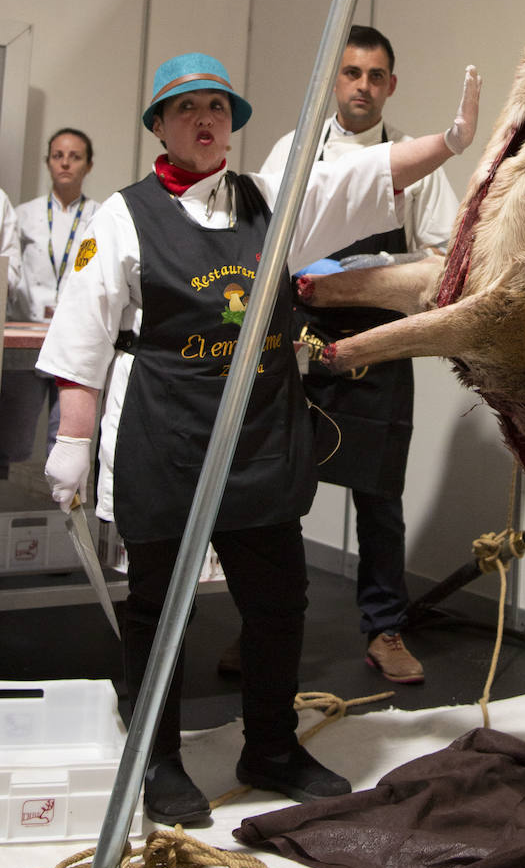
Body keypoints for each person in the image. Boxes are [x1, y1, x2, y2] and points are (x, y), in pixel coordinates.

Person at [36, 50, 479, 826]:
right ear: (161, 128)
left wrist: (445, 141)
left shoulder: (272, 202)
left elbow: (359, 180)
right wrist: (72, 440)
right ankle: (159, 758)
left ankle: (269, 746)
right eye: (186, 109)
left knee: (278, 602)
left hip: (259, 439)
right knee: (159, 607)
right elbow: (83, 333)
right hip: (168, 436)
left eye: (216, 107)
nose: (203, 119)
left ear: (232, 125)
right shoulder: (122, 215)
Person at [252, 25, 461, 685]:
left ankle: (385, 628)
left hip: (378, 341)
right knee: (279, 491)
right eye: (351, 74)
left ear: (390, 85)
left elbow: (445, 253)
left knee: (380, 496)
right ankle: (266, 630)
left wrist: (372, 276)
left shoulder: (417, 162)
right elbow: (262, 244)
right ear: (332, 82)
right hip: (299, 339)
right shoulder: (295, 151)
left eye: (375, 76)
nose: (362, 86)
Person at [0, 130, 98, 476]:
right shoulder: (22, 215)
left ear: (88, 164)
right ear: (47, 162)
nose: (65, 162)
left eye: (74, 155)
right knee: (12, 437)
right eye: (58, 155)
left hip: (74, 339)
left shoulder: (100, 217)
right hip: (26, 337)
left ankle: (62, 514)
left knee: (67, 435)